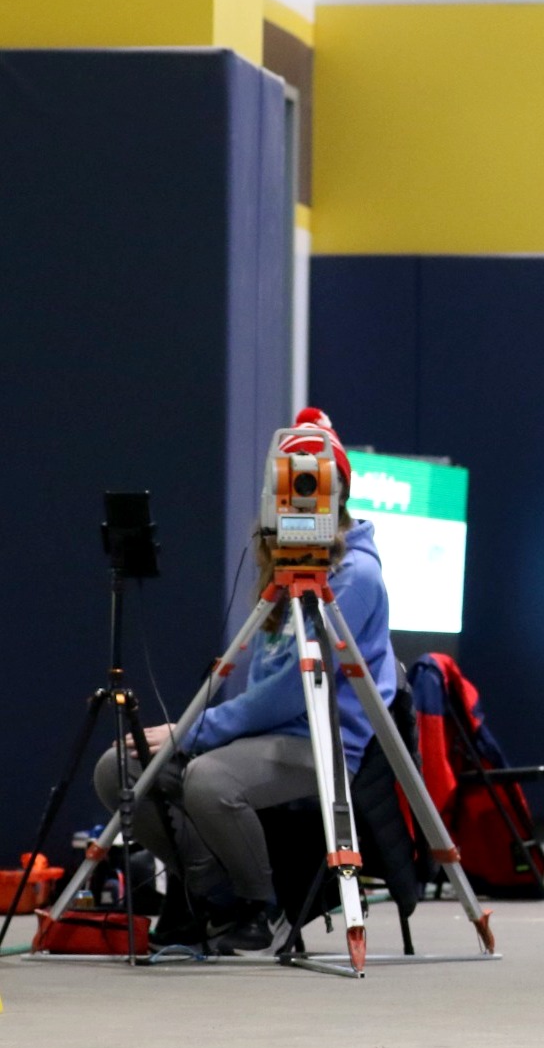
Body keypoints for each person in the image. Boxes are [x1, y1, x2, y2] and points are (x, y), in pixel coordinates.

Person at [94, 409, 396, 954]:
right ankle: (211, 897)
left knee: (208, 779)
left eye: (311, 485)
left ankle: (263, 910)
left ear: (339, 491)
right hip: (261, 733)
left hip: (321, 741)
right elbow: (259, 679)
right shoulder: (280, 564)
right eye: (288, 486)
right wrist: (203, 729)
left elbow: (291, 691)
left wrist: (197, 729)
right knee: (119, 769)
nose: (299, 499)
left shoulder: (356, 576)